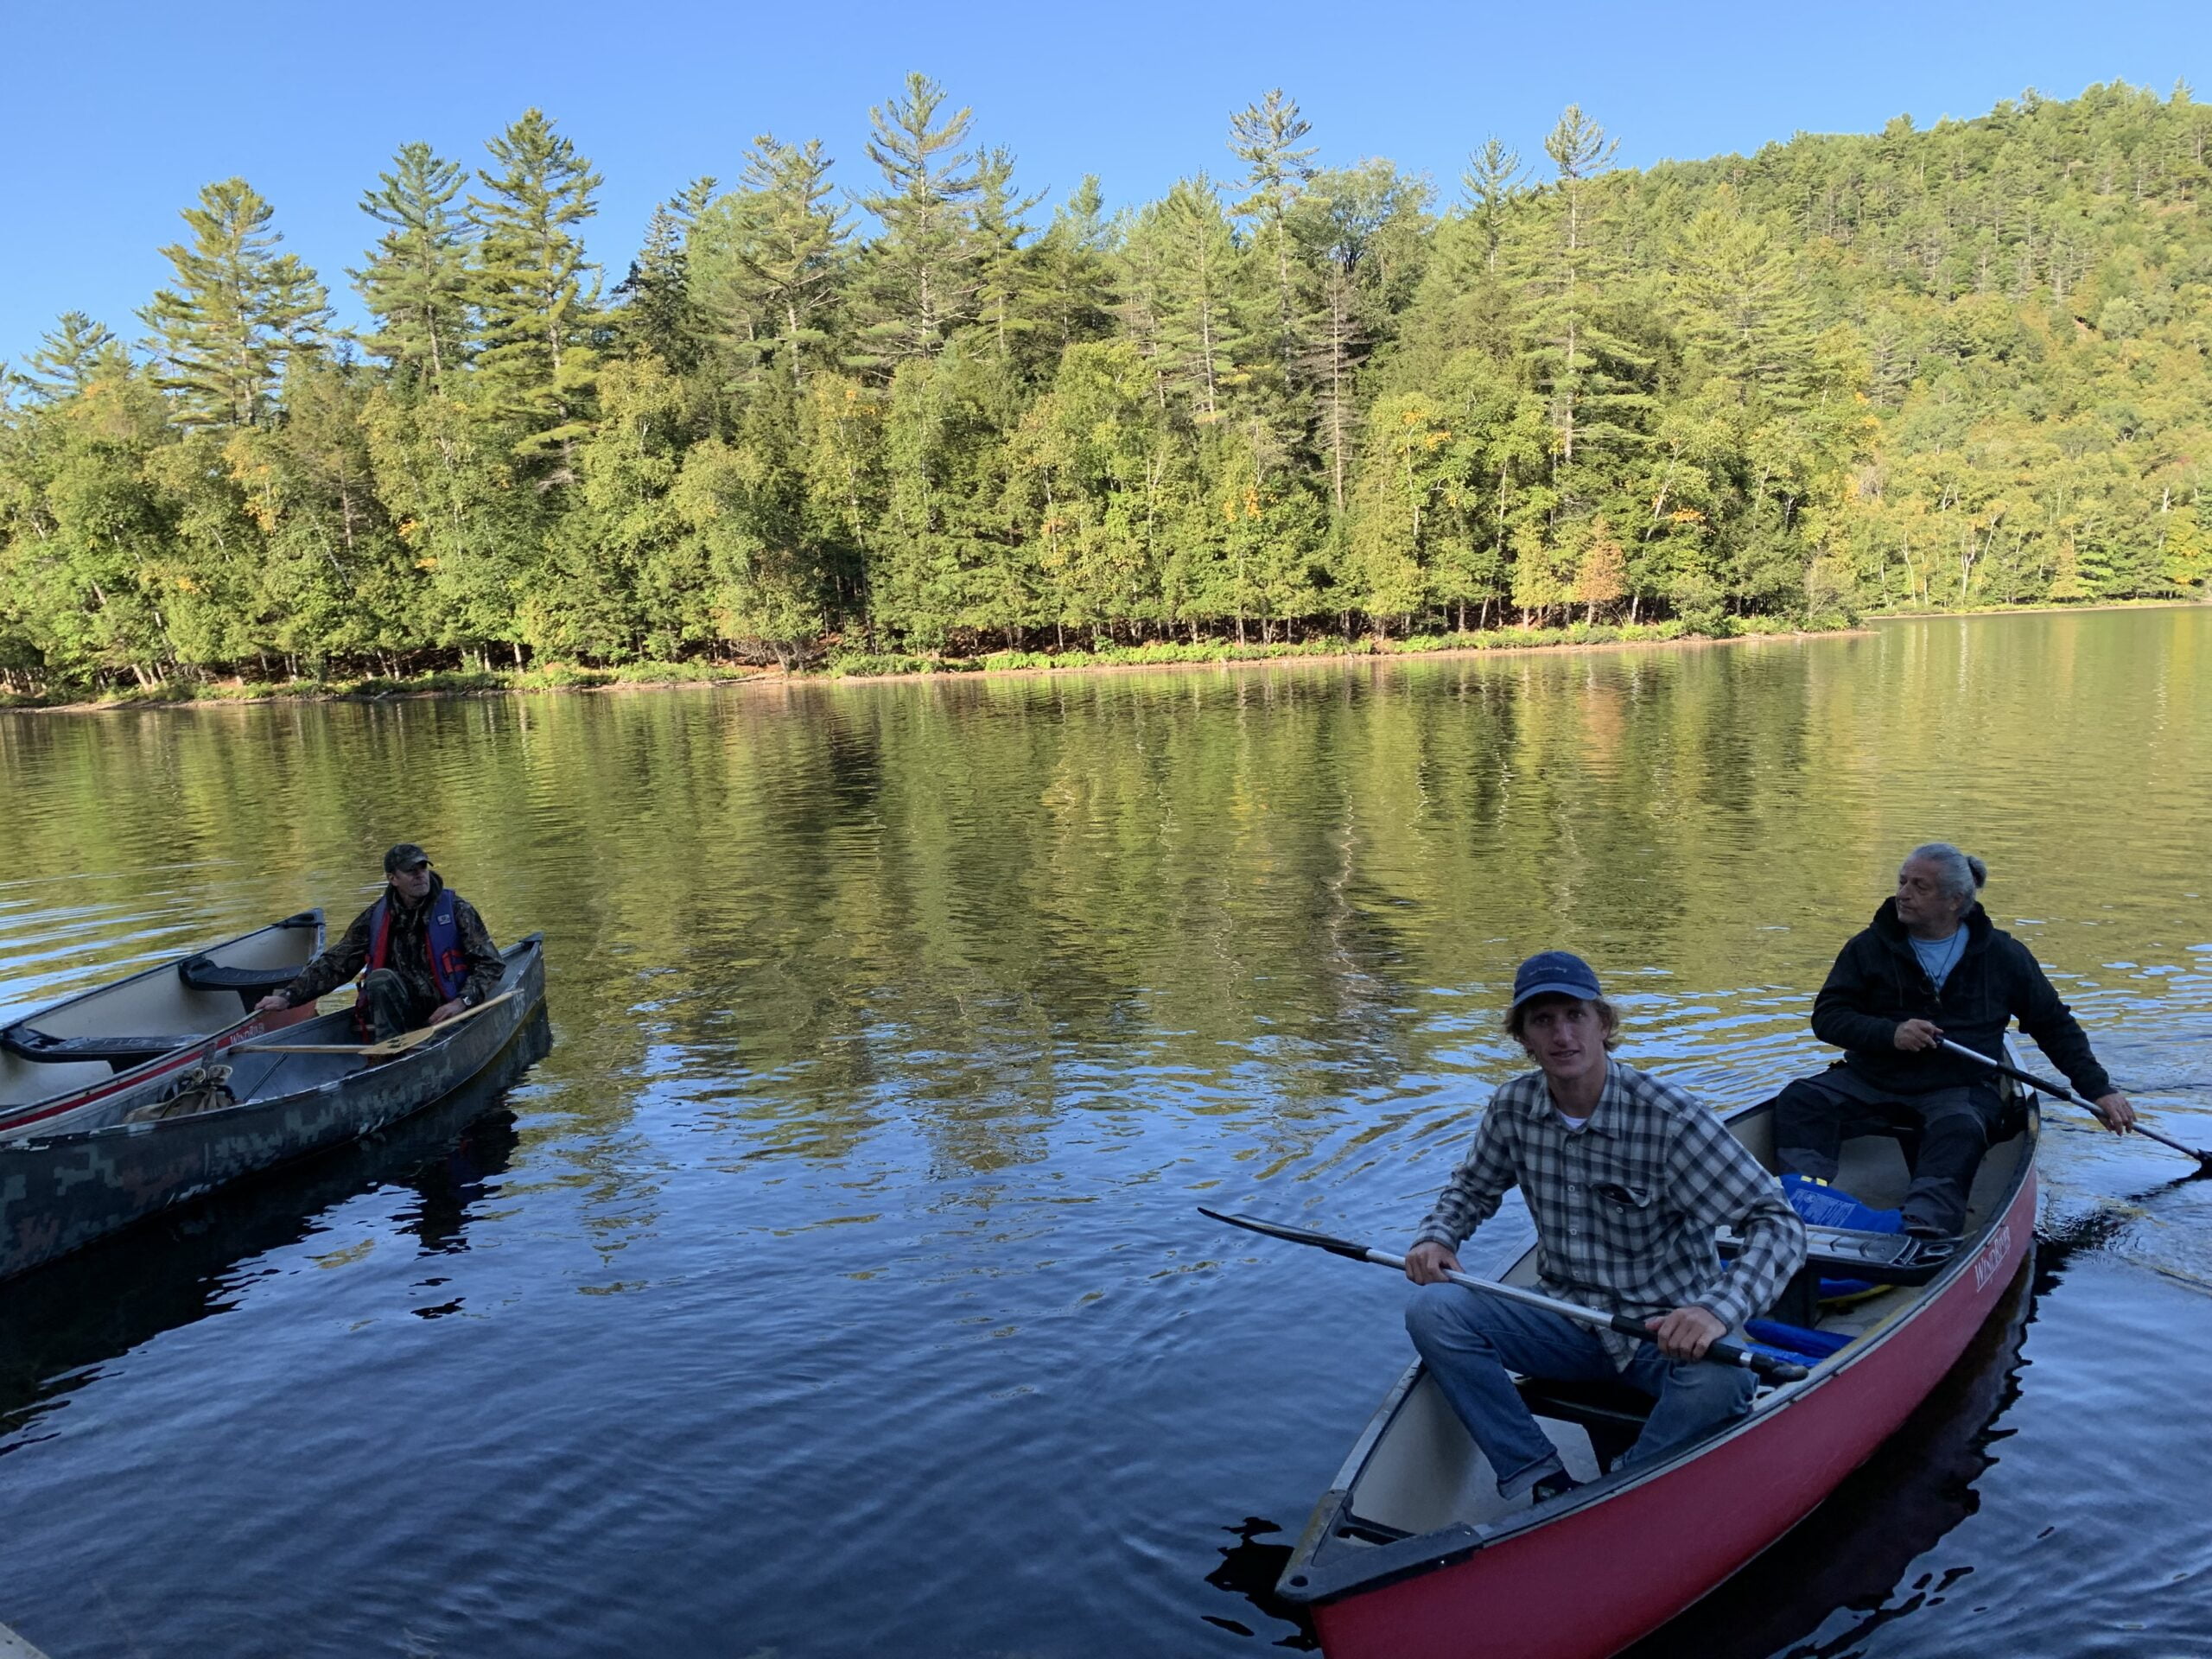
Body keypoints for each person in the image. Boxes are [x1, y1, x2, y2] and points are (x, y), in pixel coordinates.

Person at [1403, 951, 1807, 1507]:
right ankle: (1538, 1476)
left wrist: (1716, 1310)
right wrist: (1438, 1236)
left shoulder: (1669, 1118)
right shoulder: (1512, 1107)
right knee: (1434, 1311)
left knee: (1726, 1381)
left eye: (1575, 1015)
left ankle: (1617, 1490)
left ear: (1604, 1024)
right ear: (1523, 1037)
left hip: (1663, 1333)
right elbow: (1472, 1188)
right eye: (1543, 1021)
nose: (1562, 1035)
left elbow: (1778, 1224)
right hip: (1566, 1320)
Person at [1774, 844, 2134, 1241]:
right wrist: (1891, 1034)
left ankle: (1924, 1227)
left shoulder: (2004, 956)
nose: (1903, 894)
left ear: (1955, 901)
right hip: (1872, 1079)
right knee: (1802, 1101)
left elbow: (2054, 1026)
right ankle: (1804, 1200)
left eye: (1920, 887)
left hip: (1958, 1087)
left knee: (1959, 1130)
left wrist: (2099, 1091)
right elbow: (1828, 1017)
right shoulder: (1867, 947)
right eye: (1902, 881)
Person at [257, 843, 503, 1042]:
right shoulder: (376, 917)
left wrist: (462, 1002)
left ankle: (424, 1044)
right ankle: (390, 1051)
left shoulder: (458, 910)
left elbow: (491, 964)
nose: (420, 875)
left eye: (423, 868)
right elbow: (336, 964)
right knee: (380, 978)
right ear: (393, 879)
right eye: (411, 871)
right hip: (401, 1013)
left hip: (450, 1008)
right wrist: (289, 997)